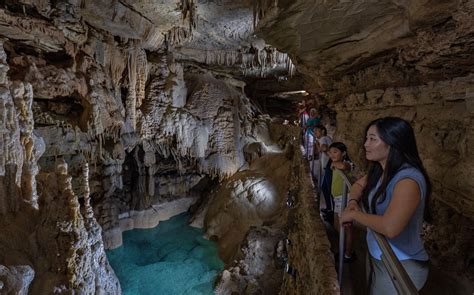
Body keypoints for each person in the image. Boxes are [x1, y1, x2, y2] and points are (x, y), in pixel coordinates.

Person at [340, 117, 431, 294]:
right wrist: (352, 202)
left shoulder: (408, 180)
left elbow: (390, 227)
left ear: (393, 143)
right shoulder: (382, 169)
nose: (366, 144)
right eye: (366, 138)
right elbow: (358, 186)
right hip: (379, 253)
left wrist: (354, 215)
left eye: (372, 139)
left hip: (400, 264)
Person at [326, 142, 356, 262]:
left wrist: (334, 163)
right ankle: (342, 248)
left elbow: (345, 167)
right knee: (338, 226)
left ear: (343, 153)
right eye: (330, 152)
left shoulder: (348, 164)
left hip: (345, 198)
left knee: (347, 228)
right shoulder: (334, 164)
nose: (332, 154)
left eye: (335, 152)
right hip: (337, 198)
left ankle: (348, 254)